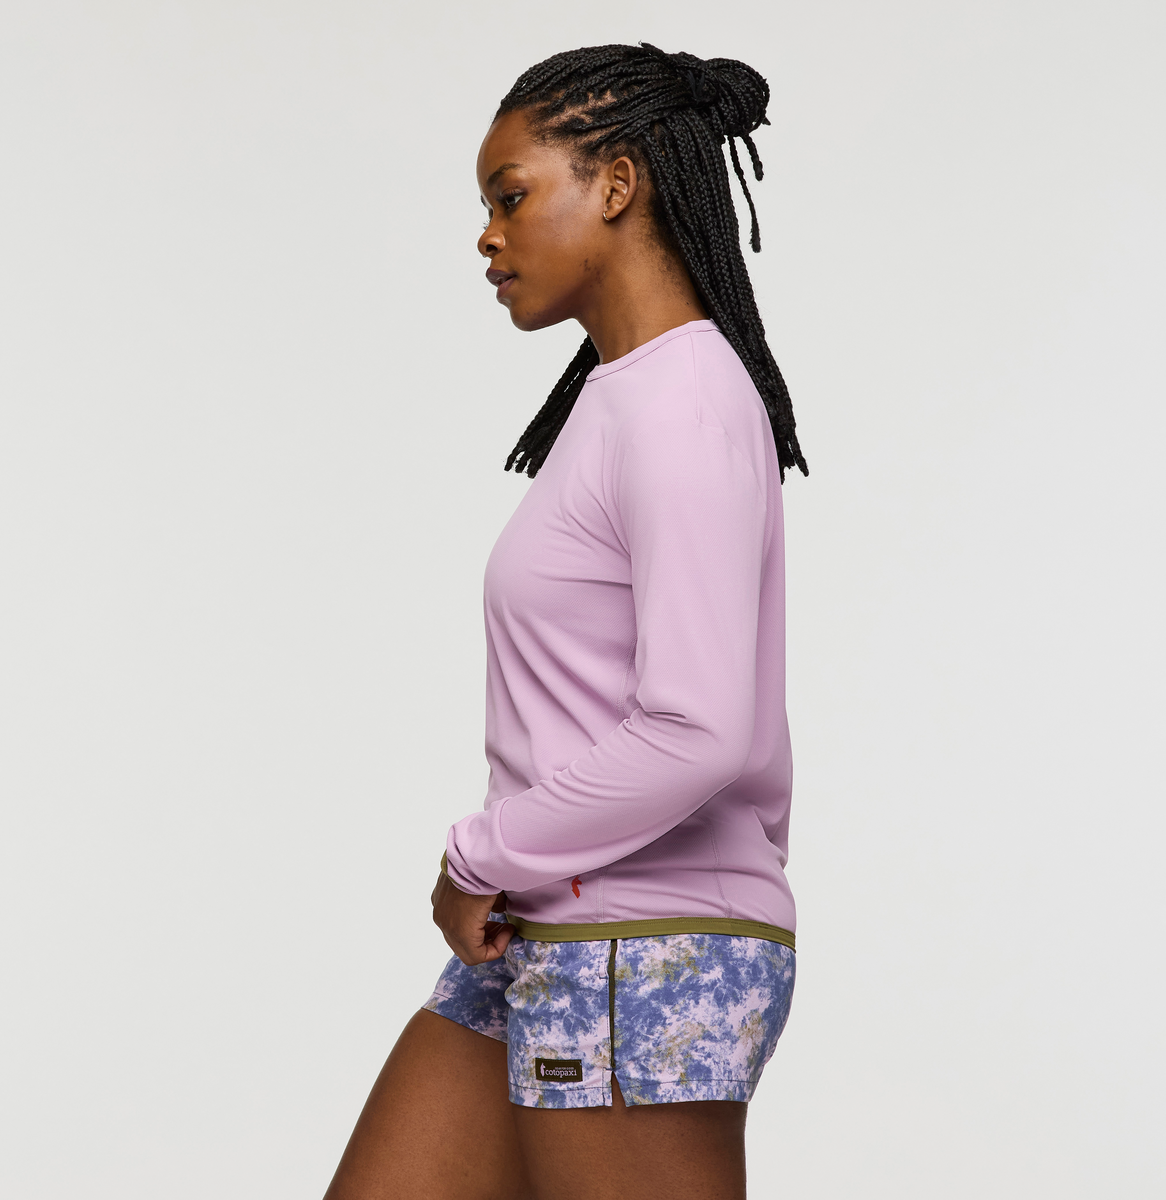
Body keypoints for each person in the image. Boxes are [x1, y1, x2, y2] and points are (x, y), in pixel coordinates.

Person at [324, 42, 808, 1200]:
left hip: (641, 945)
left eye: (510, 197)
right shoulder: (621, 396)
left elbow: (698, 728)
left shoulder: (685, 402)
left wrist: (479, 855)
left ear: (619, 184)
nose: (487, 238)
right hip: (555, 925)